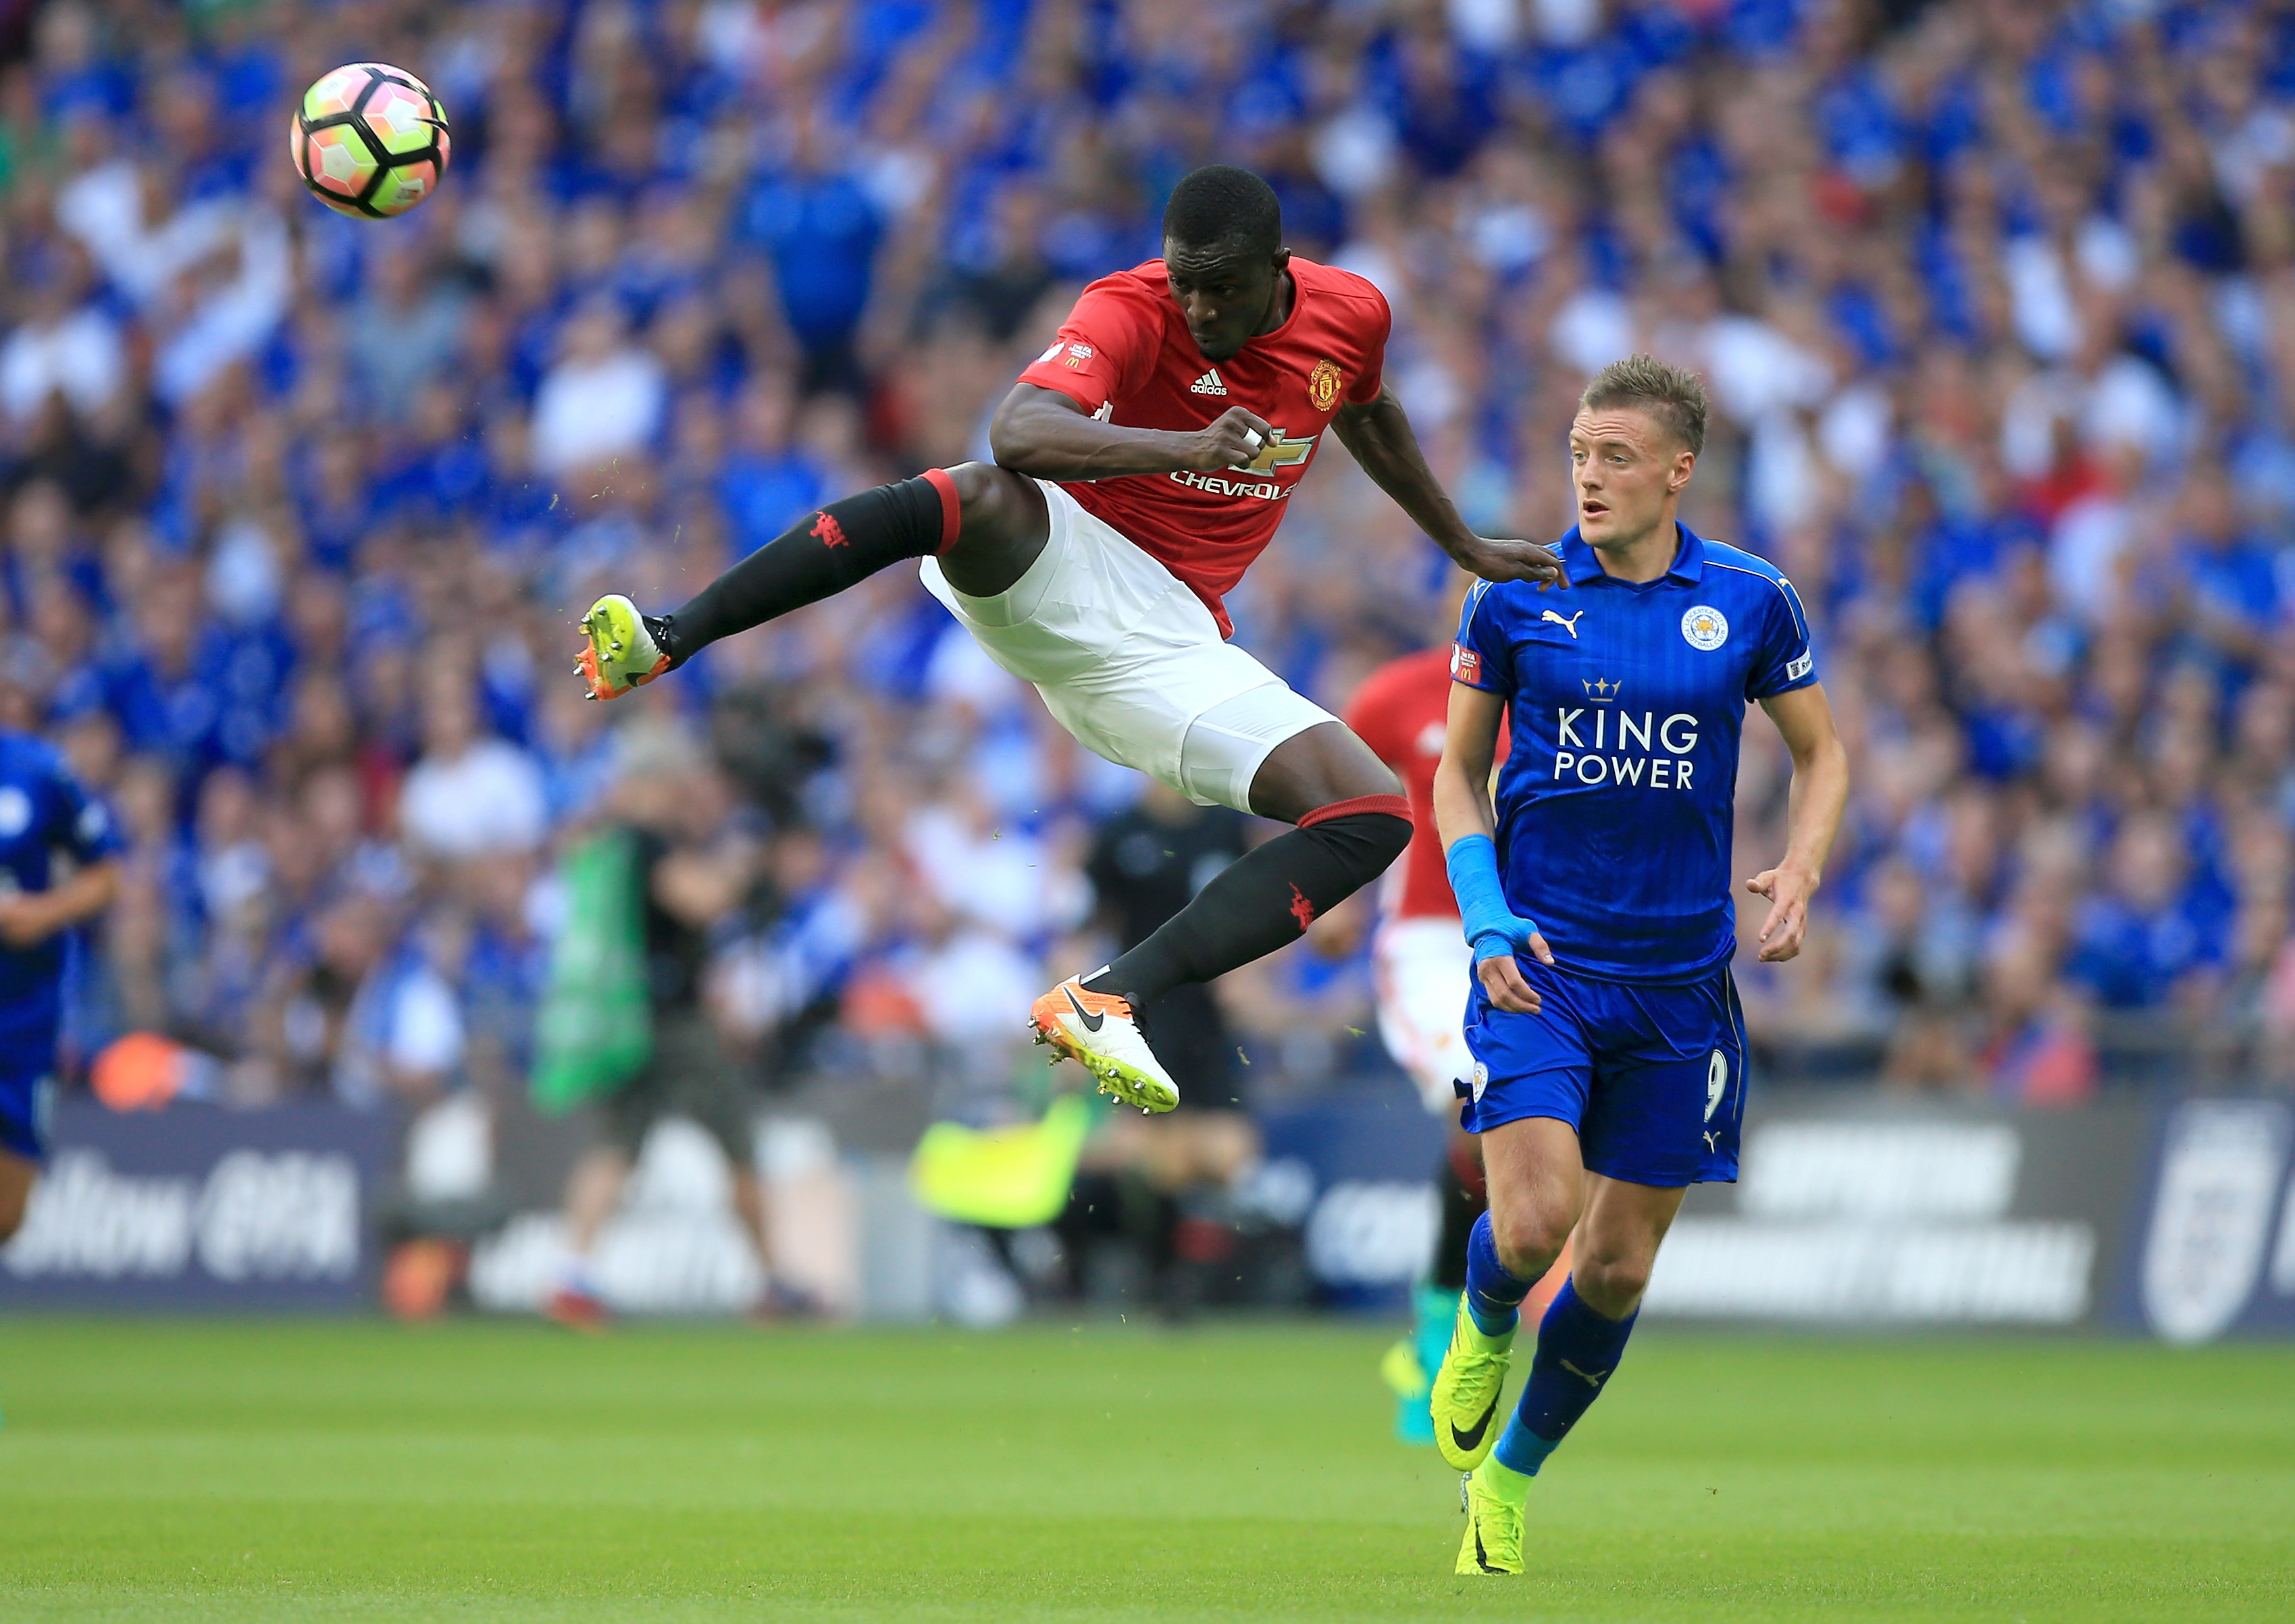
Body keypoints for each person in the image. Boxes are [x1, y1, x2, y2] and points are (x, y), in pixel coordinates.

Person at [574, 164, 1562, 1112]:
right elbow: (1018, 428)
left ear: (1280, 268)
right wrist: (1182, 444)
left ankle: (1106, 999)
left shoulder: (1352, 313)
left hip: (1169, 642)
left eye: (1222, 291)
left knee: (1370, 810)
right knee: (973, 492)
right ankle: (665, 636)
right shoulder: (1128, 308)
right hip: (1067, 562)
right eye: (1187, 288)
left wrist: (1462, 541)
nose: (1201, 312)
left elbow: (1369, 408)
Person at [1428, 356, 1847, 1575]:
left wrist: (1802, 864)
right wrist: (1484, 914)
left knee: (1612, 1267)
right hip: (1540, 962)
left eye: (1614, 456)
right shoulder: (1513, 591)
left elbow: (1821, 757)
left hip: (1678, 986)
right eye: (1576, 451)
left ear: (1678, 470)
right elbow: (1455, 773)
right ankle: (1486, 1311)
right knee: (1534, 1223)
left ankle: (1505, 1486)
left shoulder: (1751, 598)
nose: (1588, 476)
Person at [1345, 606, 1568, 1446]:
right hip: (1430, 945)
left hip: (1532, 938)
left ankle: (1434, 1334)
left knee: (1503, 1130)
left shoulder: (1562, 695)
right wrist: (1332, 901)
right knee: (1474, 1095)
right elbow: (1338, 797)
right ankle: (1443, 1337)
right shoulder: (1396, 695)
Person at [0, 729, 122, 1243]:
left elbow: (107, 875)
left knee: (10, 1214)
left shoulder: (40, 771)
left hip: (23, 1014)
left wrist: (44, 913)